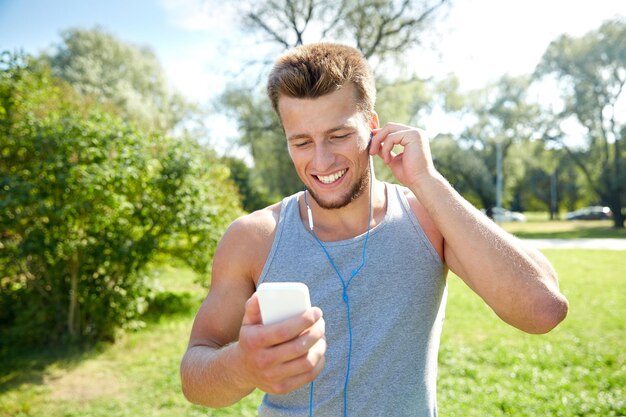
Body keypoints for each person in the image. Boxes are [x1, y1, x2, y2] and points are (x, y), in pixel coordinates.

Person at [180, 43, 568, 416]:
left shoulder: (427, 218)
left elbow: (543, 310)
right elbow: (194, 374)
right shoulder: (252, 238)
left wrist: (427, 181)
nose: (321, 160)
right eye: (301, 141)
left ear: (372, 126)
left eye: (339, 135)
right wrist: (242, 367)